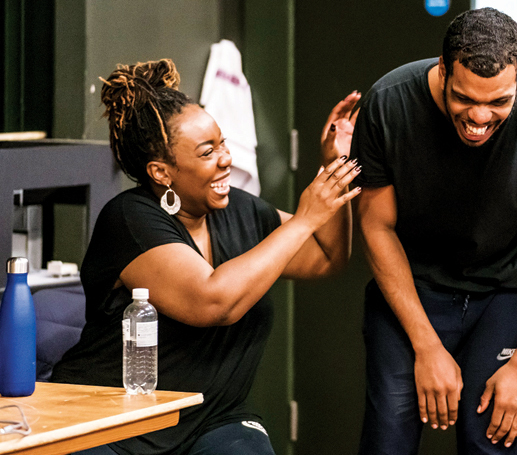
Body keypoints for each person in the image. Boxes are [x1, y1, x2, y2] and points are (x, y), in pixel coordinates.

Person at [50, 59, 362, 455]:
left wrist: (335, 164)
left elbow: (327, 257)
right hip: (113, 423)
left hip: (213, 419)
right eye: (207, 151)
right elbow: (212, 302)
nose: (226, 158)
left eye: (223, 143)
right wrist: (302, 221)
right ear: (161, 172)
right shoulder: (130, 219)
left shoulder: (242, 211)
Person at [350, 7, 517, 455]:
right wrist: (426, 346)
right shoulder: (388, 103)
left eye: (498, 102)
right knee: (387, 441)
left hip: (509, 292)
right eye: (465, 98)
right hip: (415, 286)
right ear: (444, 69)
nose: (480, 117)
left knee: (499, 440)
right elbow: (376, 226)